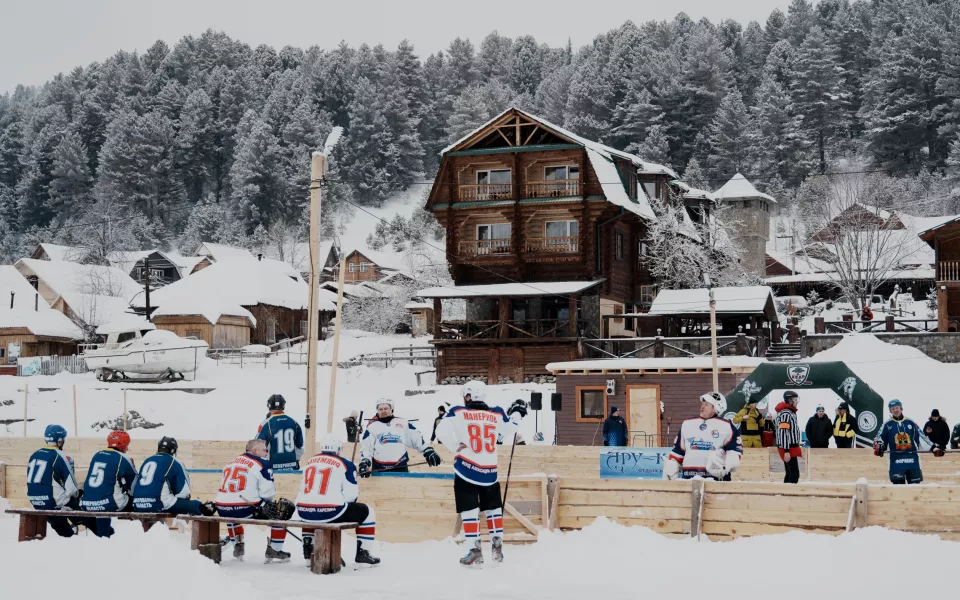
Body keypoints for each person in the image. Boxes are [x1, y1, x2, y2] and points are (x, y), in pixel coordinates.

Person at [435, 381, 526, 565]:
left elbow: (441, 431)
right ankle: (497, 549)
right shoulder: (497, 413)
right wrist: (517, 412)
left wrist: (455, 447)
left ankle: (474, 549)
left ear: (468, 396)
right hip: (489, 471)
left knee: (469, 510)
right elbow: (512, 427)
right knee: (493, 509)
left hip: (466, 470)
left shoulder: (458, 411)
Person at [296, 436, 380, 566]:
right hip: (330, 513)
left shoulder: (309, 462)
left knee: (310, 509)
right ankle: (363, 552)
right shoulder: (346, 464)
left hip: (303, 511)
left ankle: (308, 555)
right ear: (338, 449)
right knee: (368, 512)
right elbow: (351, 496)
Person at [215, 439, 295, 563]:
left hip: (222, 508)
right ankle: (275, 549)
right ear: (255, 451)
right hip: (245, 508)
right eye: (264, 450)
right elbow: (268, 494)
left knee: (231, 510)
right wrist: (266, 503)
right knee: (281, 509)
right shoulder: (262, 463)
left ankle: (238, 545)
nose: (266, 453)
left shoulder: (230, 463)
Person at [26, 424, 91, 537]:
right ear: (60, 441)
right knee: (80, 512)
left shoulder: (34, 455)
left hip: (35, 501)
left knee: (60, 524)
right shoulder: (61, 456)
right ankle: (83, 529)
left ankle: (67, 535)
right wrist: (77, 494)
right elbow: (71, 488)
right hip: (53, 501)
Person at [664, 392, 742, 481]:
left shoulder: (727, 426)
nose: (702, 406)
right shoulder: (688, 424)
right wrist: (671, 467)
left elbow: (734, 452)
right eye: (702, 404)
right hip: (689, 479)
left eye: (707, 404)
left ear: (716, 407)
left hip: (717, 481)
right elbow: (678, 451)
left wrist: (726, 467)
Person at [132, 436, 216, 516]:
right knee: (195, 505)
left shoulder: (147, 460)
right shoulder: (174, 462)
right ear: (173, 450)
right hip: (158, 503)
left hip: (137, 504)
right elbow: (184, 492)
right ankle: (207, 509)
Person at [359, 399, 442, 476]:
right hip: (379, 469)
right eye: (380, 409)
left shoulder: (403, 423)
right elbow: (366, 447)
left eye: (386, 408)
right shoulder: (372, 427)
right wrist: (365, 462)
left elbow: (416, 438)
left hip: (400, 467)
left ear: (391, 409)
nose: (383, 411)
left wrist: (427, 451)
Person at [80, 430, 138, 538]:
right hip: (110, 503)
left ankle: (104, 537)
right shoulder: (123, 458)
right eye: (127, 445)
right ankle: (146, 538)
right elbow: (135, 487)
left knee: (104, 497)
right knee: (139, 501)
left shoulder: (97, 455)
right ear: (122, 445)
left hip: (87, 502)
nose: (127, 448)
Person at [875, 399, 934, 484]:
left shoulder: (910, 422)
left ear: (901, 408)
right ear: (890, 411)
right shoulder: (887, 424)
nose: (895, 410)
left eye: (897, 408)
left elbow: (922, 437)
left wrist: (933, 447)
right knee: (898, 488)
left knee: (915, 487)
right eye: (892, 409)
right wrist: (879, 446)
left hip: (912, 459)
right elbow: (879, 438)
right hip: (896, 460)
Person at [256, 394, 304, 470]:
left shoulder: (265, 424)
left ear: (269, 406)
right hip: (292, 467)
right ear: (283, 406)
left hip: (272, 468)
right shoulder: (294, 423)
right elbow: (300, 446)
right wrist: (296, 460)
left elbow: (257, 447)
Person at [776, 391, 802, 484]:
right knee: (794, 474)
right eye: (795, 400)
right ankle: (789, 493)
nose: (797, 402)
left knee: (790, 473)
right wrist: (786, 451)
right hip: (788, 447)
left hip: (792, 447)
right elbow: (783, 432)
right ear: (790, 400)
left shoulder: (791, 412)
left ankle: (786, 492)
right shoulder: (786, 413)